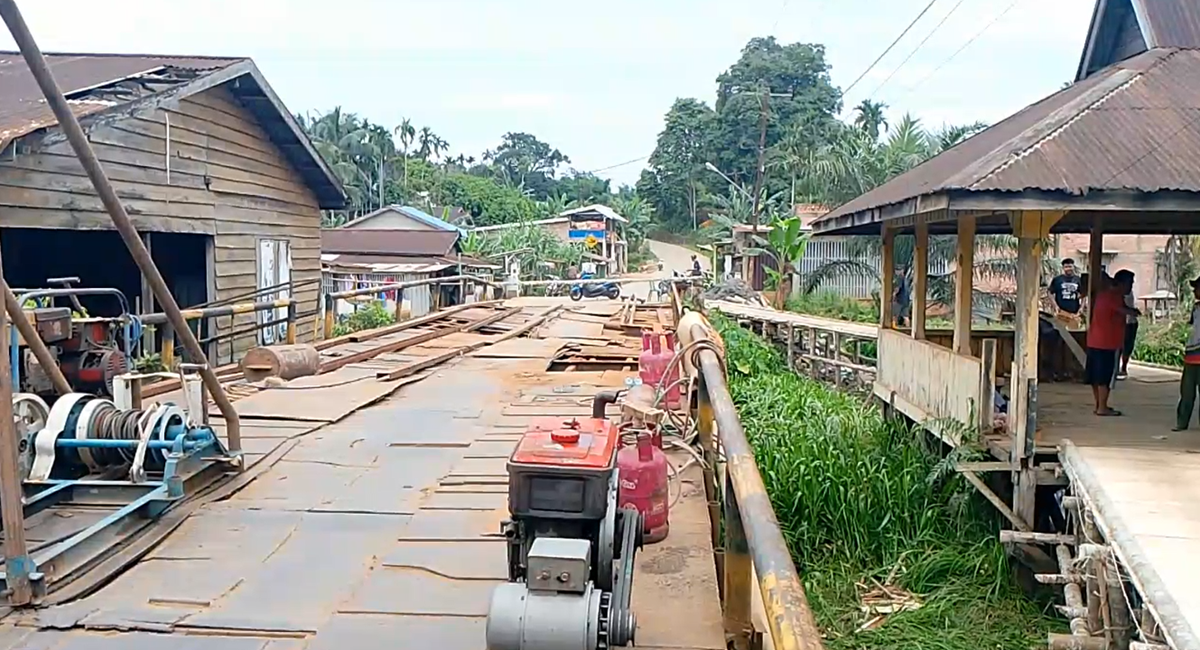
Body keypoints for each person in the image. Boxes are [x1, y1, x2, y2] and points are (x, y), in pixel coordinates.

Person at [1085, 269, 1139, 416]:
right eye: (1130, 283)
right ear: (1123, 283)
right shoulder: (1114, 297)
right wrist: (1134, 312)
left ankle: (1099, 405)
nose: (1131, 287)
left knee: (1095, 376)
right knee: (1105, 377)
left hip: (1094, 340)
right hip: (1107, 343)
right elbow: (1123, 311)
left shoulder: (1103, 295)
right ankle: (1102, 407)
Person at [1174, 277, 1200, 431]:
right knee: (1187, 392)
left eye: (1197, 288)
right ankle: (1182, 422)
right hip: (1191, 354)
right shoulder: (1195, 308)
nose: (1194, 291)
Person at [1049, 259, 1083, 327]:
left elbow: (1084, 295)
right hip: (1061, 312)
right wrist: (1055, 306)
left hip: (1074, 313)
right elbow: (1050, 293)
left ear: (1073, 267)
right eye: (1066, 267)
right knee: (1060, 332)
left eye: (1070, 266)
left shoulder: (1078, 280)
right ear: (1063, 268)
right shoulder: (1057, 279)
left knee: (1073, 333)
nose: (1068, 269)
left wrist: (1081, 308)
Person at [1118, 279, 1139, 379]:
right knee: (1118, 346)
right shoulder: (1116, 294)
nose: (1131, 285)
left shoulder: (1129, 292)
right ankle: (1116, 368)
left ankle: (1123, 367)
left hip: (1131, 322)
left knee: (1128, 346)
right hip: (1121, 323)